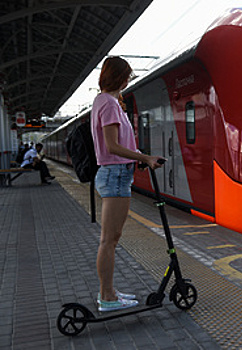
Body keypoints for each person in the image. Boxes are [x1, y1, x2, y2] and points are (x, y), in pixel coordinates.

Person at [91, 56, 164, 312]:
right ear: (120, 76)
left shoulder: (106, 102)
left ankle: (108, 293)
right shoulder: (109, 104)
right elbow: (112, 146)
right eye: (128, 76)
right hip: (115, 174)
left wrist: (140, 158)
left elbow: (119, 145)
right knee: (109, 240)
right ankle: (107, 297)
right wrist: (144, 157)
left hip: (117, 172)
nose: (128, 81)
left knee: (112, 238)